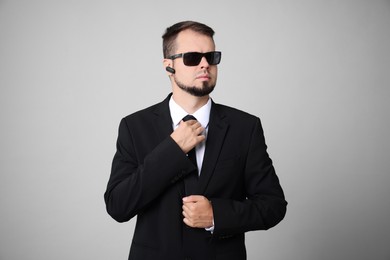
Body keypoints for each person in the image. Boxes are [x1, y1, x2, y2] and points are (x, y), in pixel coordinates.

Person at [104, 21, 287, 260]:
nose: (205, 64)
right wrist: (172, 150)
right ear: (169, 66)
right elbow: (118, 206)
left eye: (211, 56)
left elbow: (273, 205)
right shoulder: (134, 126)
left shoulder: (245, 127)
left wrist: (216, 215)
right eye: (192, 57)